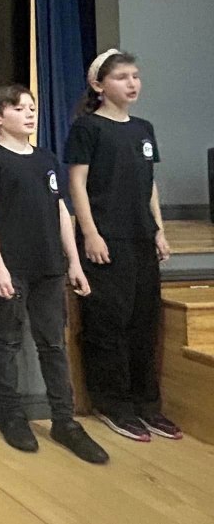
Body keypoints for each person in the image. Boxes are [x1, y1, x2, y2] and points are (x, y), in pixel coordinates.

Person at [0, 84, 109, 463]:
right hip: (13, 266)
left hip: (49, 266)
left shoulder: (47, 158)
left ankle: (64, 420)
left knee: (53, 344)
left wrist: (74, 263)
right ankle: (11, 414)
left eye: (32, 107)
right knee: (8, 341)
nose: (30, 113)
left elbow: (62, 210)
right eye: (20, 108)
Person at [64, 49, 181, 442]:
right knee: (109, 323)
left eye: (135, 76)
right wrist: (91, 232)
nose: (132, 84)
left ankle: (147, 404)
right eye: (121, 77)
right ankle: (114, 403)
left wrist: (159, 230)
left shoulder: (143, 128)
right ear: (99, 85)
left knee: (144, 321)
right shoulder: (88, 128)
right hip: (106, 237)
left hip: (140, 237)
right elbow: (77, 183)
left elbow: (148, 184)